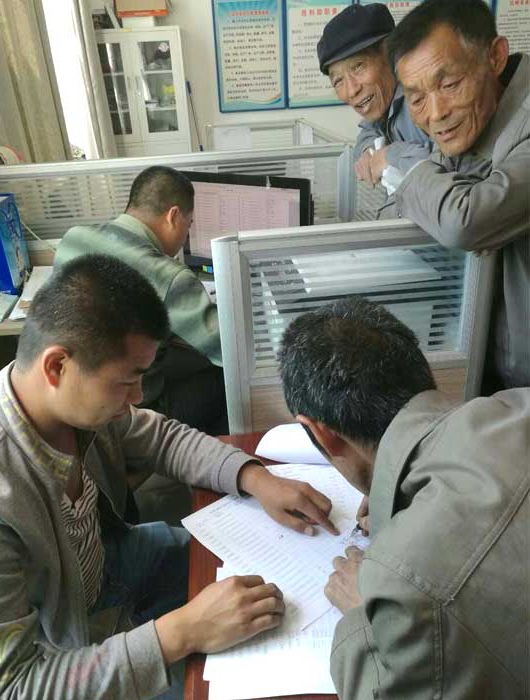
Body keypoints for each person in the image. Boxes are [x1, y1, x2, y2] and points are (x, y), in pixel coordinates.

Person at [0, 254, 338, 700]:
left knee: (249, 573)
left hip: (105, 564)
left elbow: (161, 437)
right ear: (57, 367)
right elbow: (11, 688)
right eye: (126, 381)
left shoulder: (70, 403)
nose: (138, 396)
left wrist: (256, 478)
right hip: (62, 644)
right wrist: (181, 633)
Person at [278, 296, 529, 700]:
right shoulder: (518, 403)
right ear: (423, 370)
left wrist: (362, 613)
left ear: (321, 433)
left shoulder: (403, 587)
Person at [382, 0, 529, 390]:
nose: (435, 113)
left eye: (449, 85)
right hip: (490, 368)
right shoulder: (466, 124)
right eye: (416, 98)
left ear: (495, 57)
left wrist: (402, 168)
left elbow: (464, 221)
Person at [55, 165, 227, 436]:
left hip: (72, 400)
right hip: (130, 413)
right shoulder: (169, 276)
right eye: (189, 225)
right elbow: (228, 350)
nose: (186, 235)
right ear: (173, 216)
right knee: (225, 379)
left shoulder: (73, 238)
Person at [317, 3, 431, 189]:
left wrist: (389, 155)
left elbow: (448, 171)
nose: (352, 90)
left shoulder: (426, 99)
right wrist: (368, 150)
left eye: (358, 66)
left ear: (390, 53)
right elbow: (369, 130)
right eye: (338, 81)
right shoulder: (384, 103)